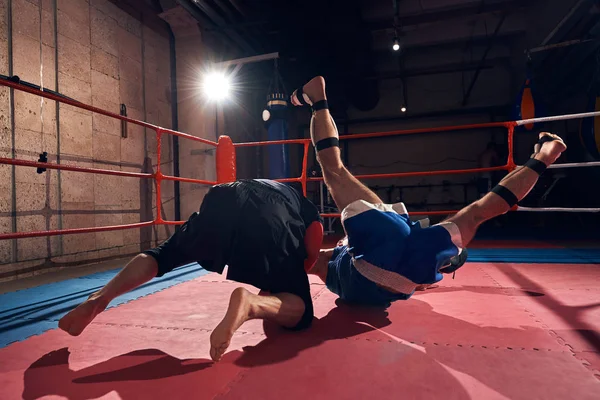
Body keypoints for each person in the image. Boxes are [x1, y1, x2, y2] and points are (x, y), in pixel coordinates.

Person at [291, 76, 567, 305]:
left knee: (478, 213)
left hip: (384, 266)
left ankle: (544, 156)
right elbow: (319, 261)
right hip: (375, 260)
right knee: (335, 170)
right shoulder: (410, 261)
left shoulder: (420, 262)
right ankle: (318, 100)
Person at [59, 179, 323, 362]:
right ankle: (250, 305)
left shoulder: (273, 186)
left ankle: (100, 297)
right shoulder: (305, 207)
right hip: (271, 216)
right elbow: (311, 248)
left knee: (163, 255)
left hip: (224, 195)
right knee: (302, 312)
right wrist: (288, 278)